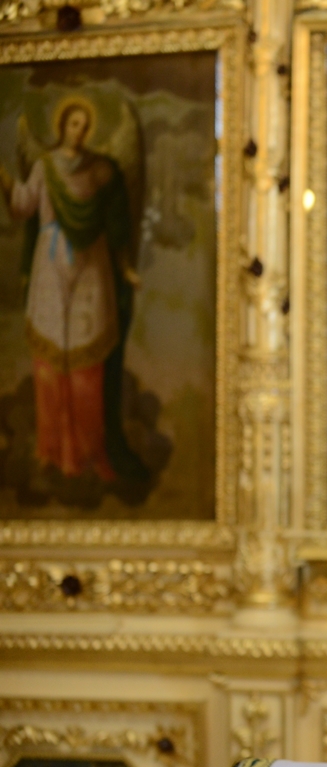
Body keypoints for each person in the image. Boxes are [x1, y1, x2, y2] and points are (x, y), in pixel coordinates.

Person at [0, 97, 146, 483]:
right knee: (51, 360)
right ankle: (51, 450)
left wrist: (125, 267)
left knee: (86, 364)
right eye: (72, 124)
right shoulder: (45, 167)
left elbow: (116, 221)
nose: (78, 131)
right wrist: (5, 180)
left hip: (91, 268)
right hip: (50, 267)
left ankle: (88, 452)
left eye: (84, 125)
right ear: (62, 126)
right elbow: (22, 206)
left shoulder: (100, 171)